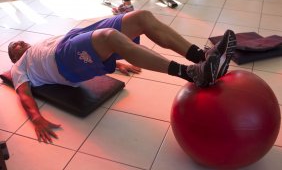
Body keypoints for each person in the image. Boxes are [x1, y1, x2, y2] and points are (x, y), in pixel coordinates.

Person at [8, 10, 236, 143]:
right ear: (14, 57)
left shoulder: (37, 43)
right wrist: (36, 118)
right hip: (61, 61)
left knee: (141, 17)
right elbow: (24, 93)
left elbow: (85, 46)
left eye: (19, 41)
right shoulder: (20, 65)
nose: (18, 43)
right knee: (109, 36)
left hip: (69, 40)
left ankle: (202, 57)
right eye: (14, 47)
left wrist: (116, 62)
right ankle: (193, 74)